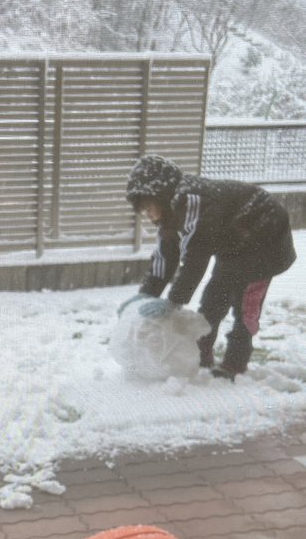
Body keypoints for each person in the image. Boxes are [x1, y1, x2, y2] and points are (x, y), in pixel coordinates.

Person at [125, 155, 296, 380]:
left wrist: (174, 301)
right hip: (236, 242)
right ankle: (201, 355)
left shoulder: (192, 201)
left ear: (161, 194)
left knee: (244, 305)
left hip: (266, 239)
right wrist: (146, 295)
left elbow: (195, 258)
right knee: (214, 299)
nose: (148, 215)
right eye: (144, 210)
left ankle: (235, 363)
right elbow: (166, 256)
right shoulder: (171, 213)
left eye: (149, 207)